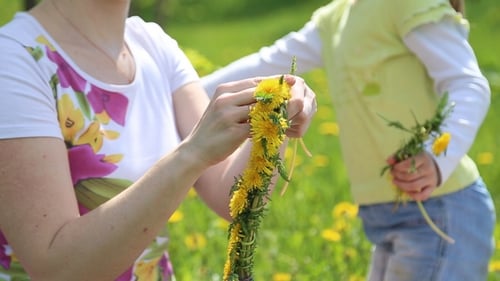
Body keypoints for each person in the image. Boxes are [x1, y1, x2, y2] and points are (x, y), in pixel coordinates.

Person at [0, 0, 318, 280]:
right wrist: (190, 154)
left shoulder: (152, 44)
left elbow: (229, 195)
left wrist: (274, 118)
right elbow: (57, 269)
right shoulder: (15, 60)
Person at [202, 0, 496, 280]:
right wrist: (182, 91)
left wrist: (436, 154)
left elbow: (468, 84)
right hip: (385, 216)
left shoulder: (408, 4)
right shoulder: (336, 17)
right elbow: (268, 62)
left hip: (440, 211)